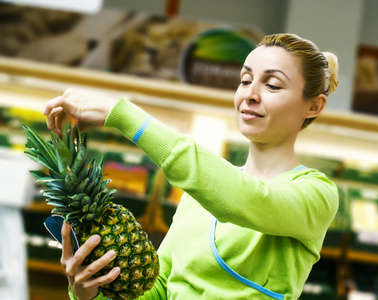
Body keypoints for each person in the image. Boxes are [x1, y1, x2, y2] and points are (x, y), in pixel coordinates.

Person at [43, 33, 339, 300]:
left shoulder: (316, 193)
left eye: (272, 85)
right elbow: (158, 290)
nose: (250, 94)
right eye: (245, 80)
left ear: (314, 106)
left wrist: (123, 115)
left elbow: (246, 200)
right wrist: (89, 294)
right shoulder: (197, 197)